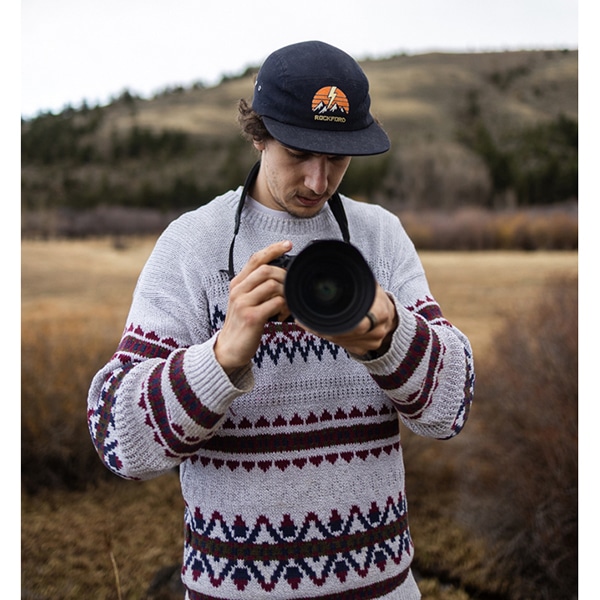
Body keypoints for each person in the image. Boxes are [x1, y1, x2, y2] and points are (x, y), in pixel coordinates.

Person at [87, 40, 475, 600]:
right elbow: (118, 441)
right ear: (258, 134)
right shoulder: (193, 244)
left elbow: (450, 409)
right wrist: (221, 358)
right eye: (298, 153)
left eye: (337, 157)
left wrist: (390, 337)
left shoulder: (380, 236)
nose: (318, 181)